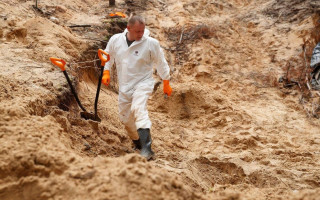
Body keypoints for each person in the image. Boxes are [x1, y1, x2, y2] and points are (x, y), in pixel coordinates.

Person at [101, 15, 172, 160]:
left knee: (139, 109)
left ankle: (147, 148)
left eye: (142, 31)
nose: (141, 34)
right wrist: (106, 72)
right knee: (125, 118)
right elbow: (107, 56)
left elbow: (161, 62)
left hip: (143, 83)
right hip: (125, 86)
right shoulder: (116, 40)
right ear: (128, 28)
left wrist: (166, 80)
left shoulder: (151, 43)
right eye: (137, 31)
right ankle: (138, 143)